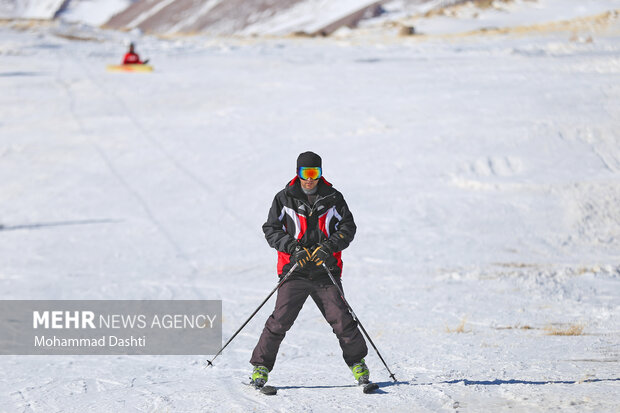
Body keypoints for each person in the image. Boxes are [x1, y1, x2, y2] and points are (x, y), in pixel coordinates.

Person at [250, 151, 370, 388]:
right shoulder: (284, 198)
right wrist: (293, 249)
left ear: (321, 173)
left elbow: (348, 227)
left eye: (315, 173)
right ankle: (260, 368)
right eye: (306, 173)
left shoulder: (334, 198)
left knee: (342, 320)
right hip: (294, 270)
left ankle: (358, 365)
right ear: (298, 173)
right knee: (280, 321)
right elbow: (271, 229)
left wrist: (329, 247)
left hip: (325, 271)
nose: (310, 179)